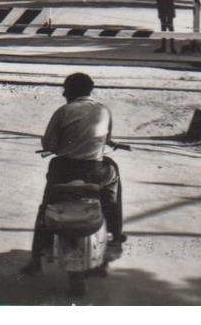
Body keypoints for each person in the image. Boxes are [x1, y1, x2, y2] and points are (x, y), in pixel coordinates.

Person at [20, 72, 124, 275]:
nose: (63, 93)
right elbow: (106, 138)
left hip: (64, 170)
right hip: (95, 171)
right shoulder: (104, 110)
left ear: (71, 91)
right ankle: (114, 236)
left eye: (66, 89)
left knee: (47, 207)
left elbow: (50, 144)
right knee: (110, 196)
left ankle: (35, 259)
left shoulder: (64, 111)